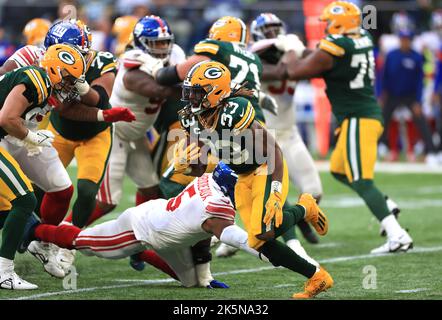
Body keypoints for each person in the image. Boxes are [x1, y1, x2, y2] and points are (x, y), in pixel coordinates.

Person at [174, 60, 333, 299]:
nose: (192, 99)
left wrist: (277, 189)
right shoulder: (192, 119)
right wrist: (184, 163)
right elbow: (197, 169)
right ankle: (318, 277)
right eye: (190, 93)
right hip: (240, 175)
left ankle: (304, 208)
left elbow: (273, 150)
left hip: (265, 168)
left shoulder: (234, 110)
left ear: (216, 91)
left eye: (198, 93)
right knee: (258, 242)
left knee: (264, 231)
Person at [268, 1, 413, 253]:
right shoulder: (362, 38)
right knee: (338, 170)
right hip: (361, 115)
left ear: (338, 23)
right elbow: (320, 58)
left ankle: (397, 234)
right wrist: (302, 50)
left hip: (359, 118)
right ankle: (386, 205)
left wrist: (291, 47)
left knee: (362, 180)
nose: (325, 26)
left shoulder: (334, 47)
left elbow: (293, 71)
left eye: (328, 22)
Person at [20, 162, 265, 289]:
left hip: (165, 227)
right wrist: (269, 252)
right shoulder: (217, 205)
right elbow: (242, 240)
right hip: (139, 228)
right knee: (82, 243)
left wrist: (206, 277)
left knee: (192, 282)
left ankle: (141, 253)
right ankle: (34, 230)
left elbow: (202, 236)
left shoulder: (210, 180)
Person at [0, 43, 85, 289]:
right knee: (25, 200)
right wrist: (32, 137)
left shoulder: (42, 80)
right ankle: (4, 271)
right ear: (56, 71)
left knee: (19, 204)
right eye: (69, 80)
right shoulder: (36, 78)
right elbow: (6, 118)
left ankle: (33, 242)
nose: (70, 87)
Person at [249, 12, 323, 248]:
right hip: (266, 137)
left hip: (289, 133)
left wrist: (320, 50)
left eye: (275, 28)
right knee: (271, 193)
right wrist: (293, 49)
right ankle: (290, 228)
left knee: (314, 191)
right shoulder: (254, 61)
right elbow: (284, 72)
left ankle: (298, 218)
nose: (273, 34)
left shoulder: (291, 52)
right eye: (267, 30)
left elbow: (315, 61)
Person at [380, 28, 438, 165]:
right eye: (402, 39)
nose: (404, 42)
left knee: (421, 122)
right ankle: (378, 147)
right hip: (392, 94)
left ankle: (432, 152)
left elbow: (419, 81)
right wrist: (382, 94)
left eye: (407, 39)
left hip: (410, 96)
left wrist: (418, 100)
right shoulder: (392, 55)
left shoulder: (417, 57)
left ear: (410, 41)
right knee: (381, 120)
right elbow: (385, 76)